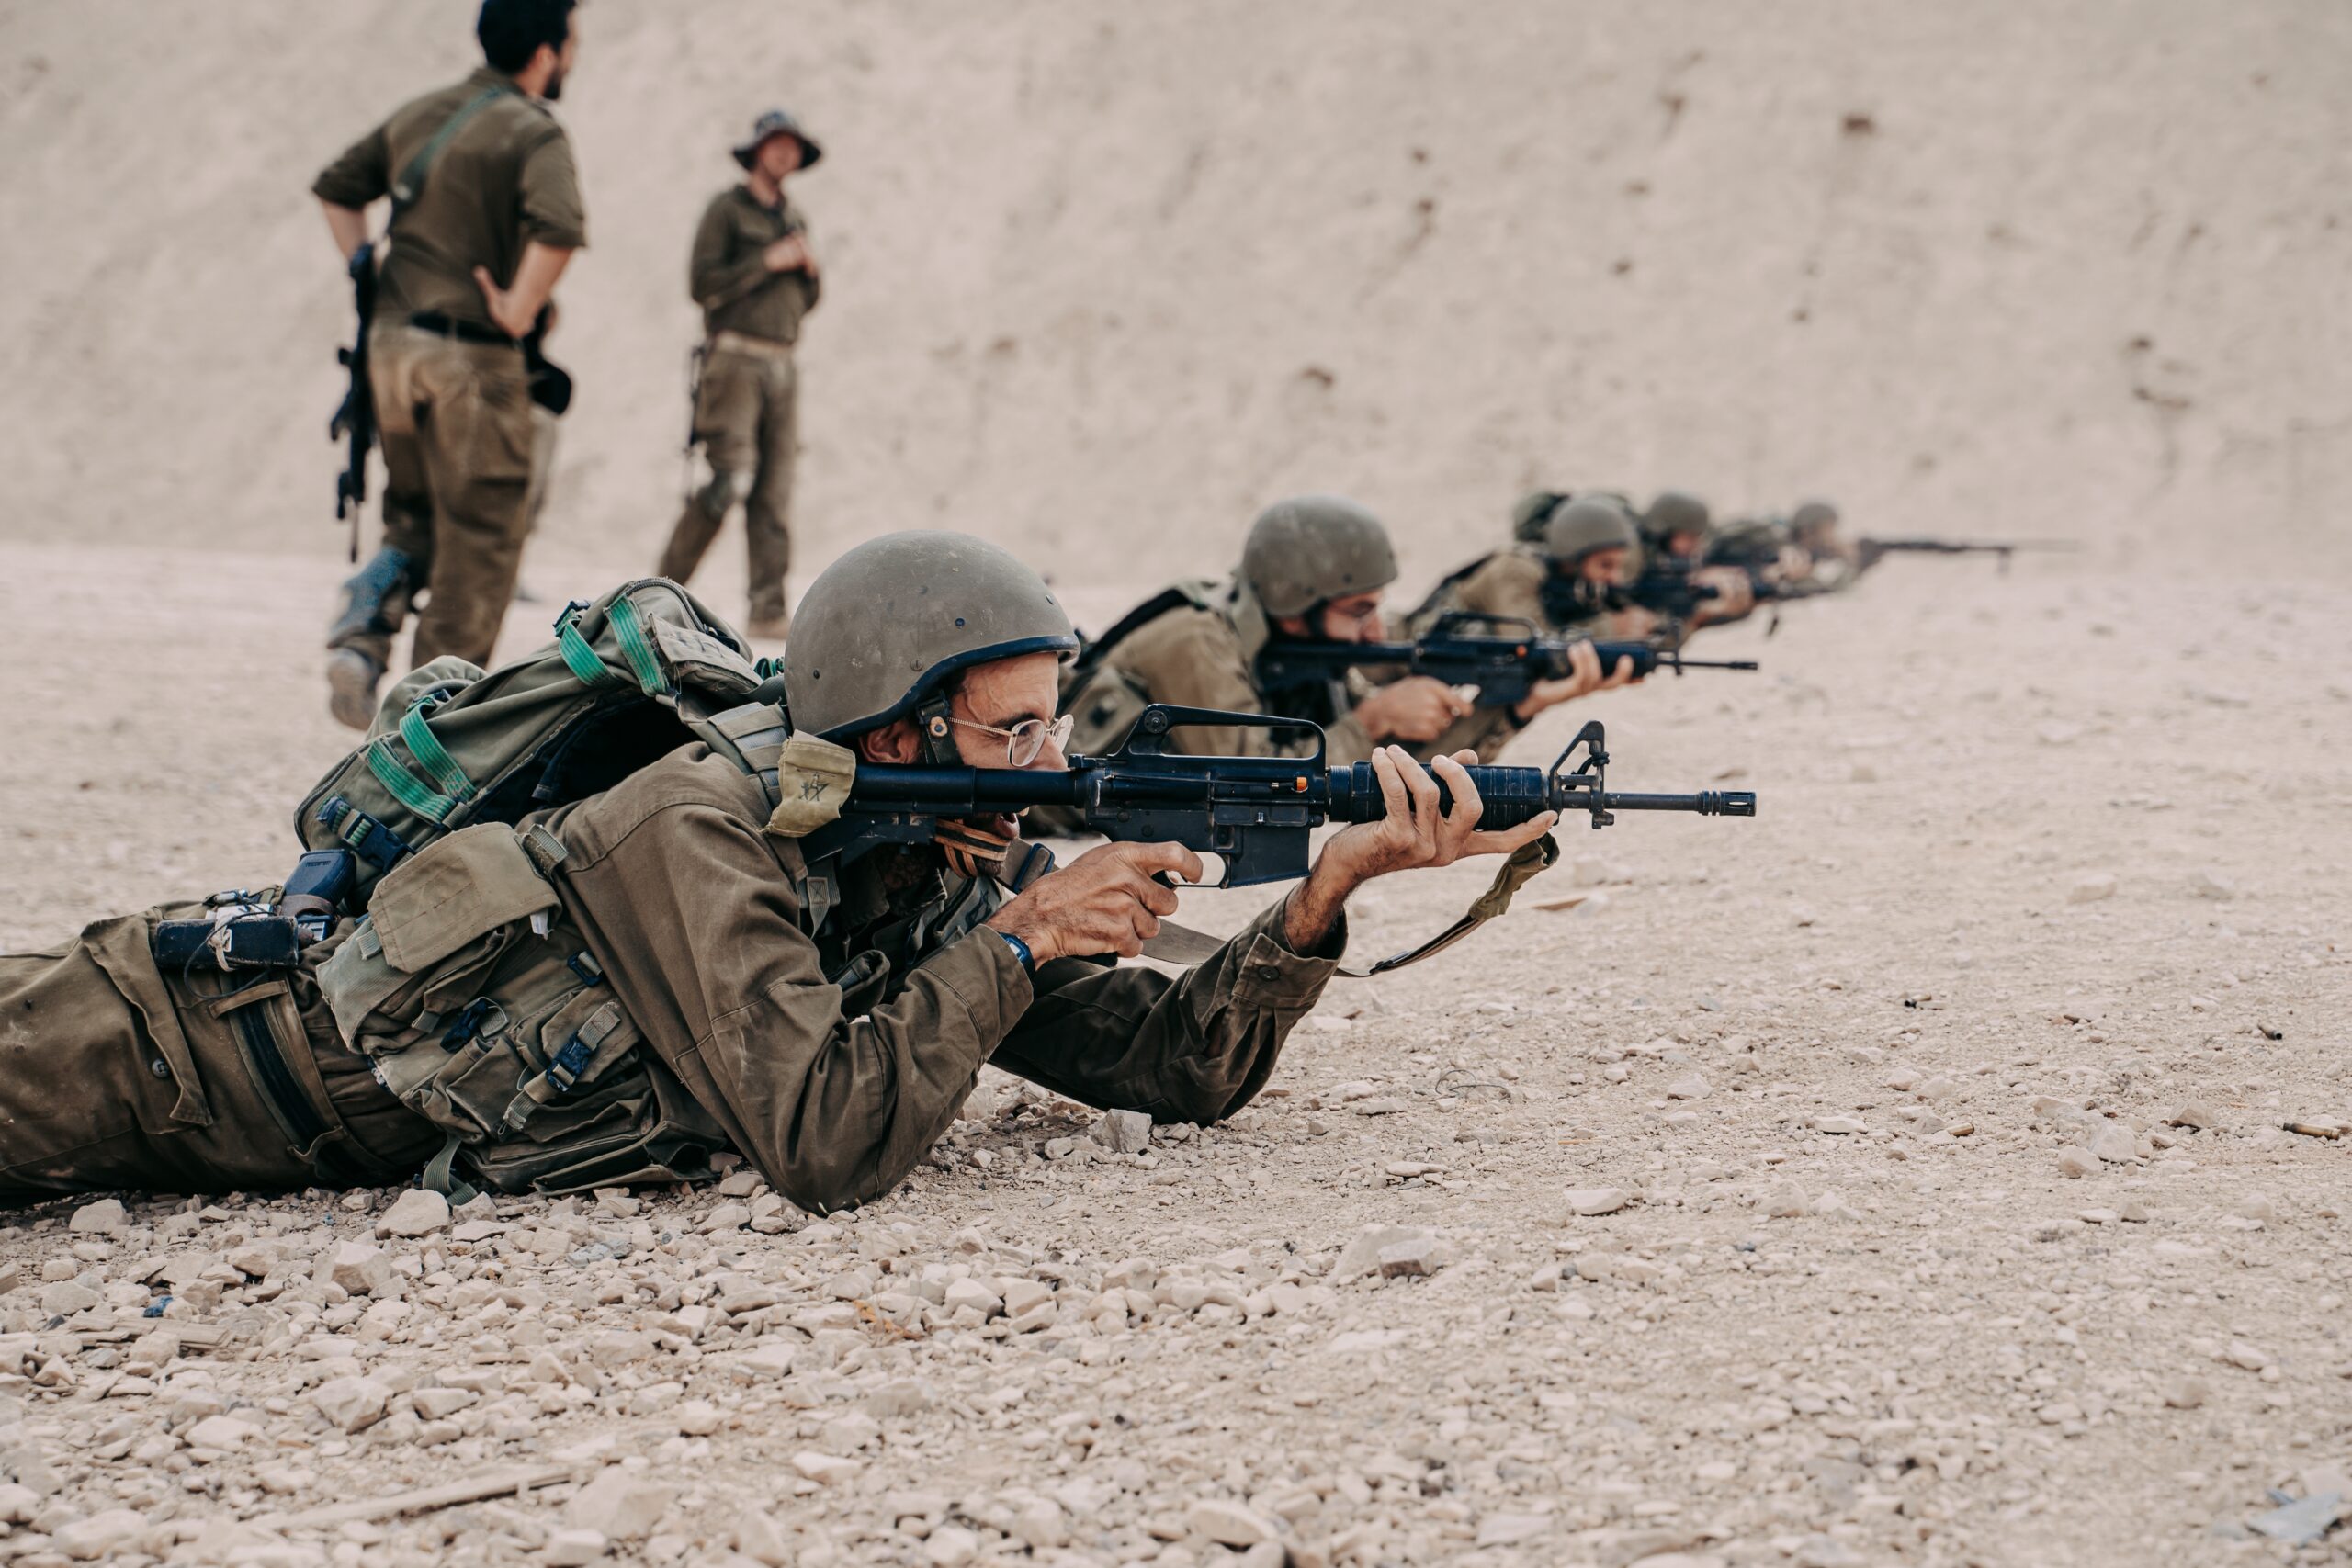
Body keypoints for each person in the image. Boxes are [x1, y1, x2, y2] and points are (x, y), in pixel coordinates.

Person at [0, 534, 1553, 1213]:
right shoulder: (700, 819)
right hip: (163, 1049)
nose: (1045, 767)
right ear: (896, 720)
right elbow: (821, 1135)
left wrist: (1324, 895)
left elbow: (1166, 1066)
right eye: (1010, 731)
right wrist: (1016, 942)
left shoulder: (911, 861)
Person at [314, 0, 587, 729]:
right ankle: (422, 732)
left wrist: (366, 266)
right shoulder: (533, 130)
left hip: (391, 355)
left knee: (414, 517)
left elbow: (338, 188)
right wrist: (520, 308)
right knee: (482, 543)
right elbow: (561, 227)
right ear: (543, 52)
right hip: (472, 361)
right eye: (570, 43)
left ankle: (363, 636)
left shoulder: (422, 112)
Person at [655, 109, 825, 641]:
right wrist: (766, 262)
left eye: (793, 147)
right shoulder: (726, 210)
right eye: (777, 145)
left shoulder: (795, 217)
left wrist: (808, 272)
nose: (786, 154)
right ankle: (657, 592)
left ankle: (768, 609)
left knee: (775, 490)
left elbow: (806, 302)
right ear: (757, 150)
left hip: (783, 360)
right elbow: (702, 284)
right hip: (734, 359)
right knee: (731, 481)